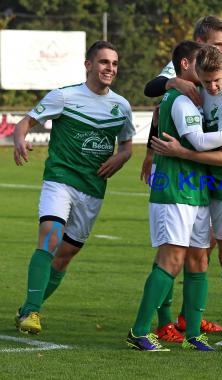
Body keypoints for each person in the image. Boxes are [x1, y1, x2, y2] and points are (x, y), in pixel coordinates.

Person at [126, 41, 222, 352]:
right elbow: (197, 141)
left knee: (198, 260)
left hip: (196, 191)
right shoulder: (181, 99)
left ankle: (194, 334)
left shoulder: (199, 97)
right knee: (171, 260)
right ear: (186, 65)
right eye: (200, 63)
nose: (207, 77)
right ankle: (139, 331)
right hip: (174, 190)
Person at [12, 40, 135, 334]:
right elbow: (25, 123)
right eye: (104, 62)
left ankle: (28, 307)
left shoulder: (122, 106)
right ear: (89, 64)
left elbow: (128, 144)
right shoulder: (64, 96)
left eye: (115, 64)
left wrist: (121, 157)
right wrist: (19, 139)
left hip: (92, 188)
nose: (110, 68)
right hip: (60, 179)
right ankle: (31, 311)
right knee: (50, 238)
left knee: (65, 255)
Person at [141, 15, 222, 340]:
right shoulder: (182, 82)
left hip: (200, 183)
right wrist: (173, 82)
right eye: (218, 44)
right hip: (178, 180)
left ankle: (190, 323)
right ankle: (162, 321)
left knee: (198, 254)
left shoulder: (215, 79)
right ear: (202, 41)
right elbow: (151, 91)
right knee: (172, 254)